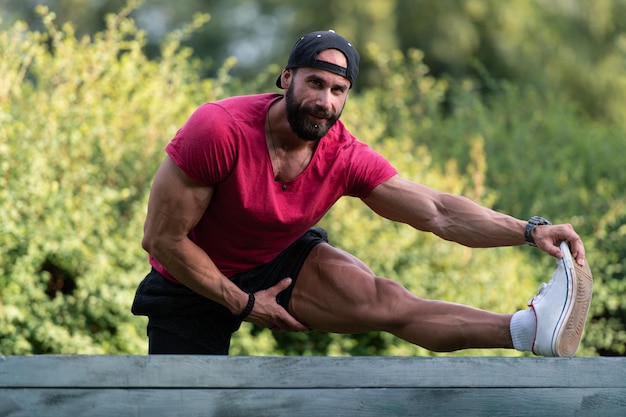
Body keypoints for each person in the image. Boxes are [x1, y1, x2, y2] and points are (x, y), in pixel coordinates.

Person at [132, 30, 593, 357]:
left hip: (278, 259)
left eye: (338, 90)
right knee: (185, 403)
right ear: (286, 78)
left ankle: (527, 330)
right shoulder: (218, 130)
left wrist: (530, 231)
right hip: (189, 283)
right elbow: (163, 240)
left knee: (387, 302)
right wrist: (244, 303)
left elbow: (438, 213)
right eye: (315, 82)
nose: (325, 101)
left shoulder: (343, 155)